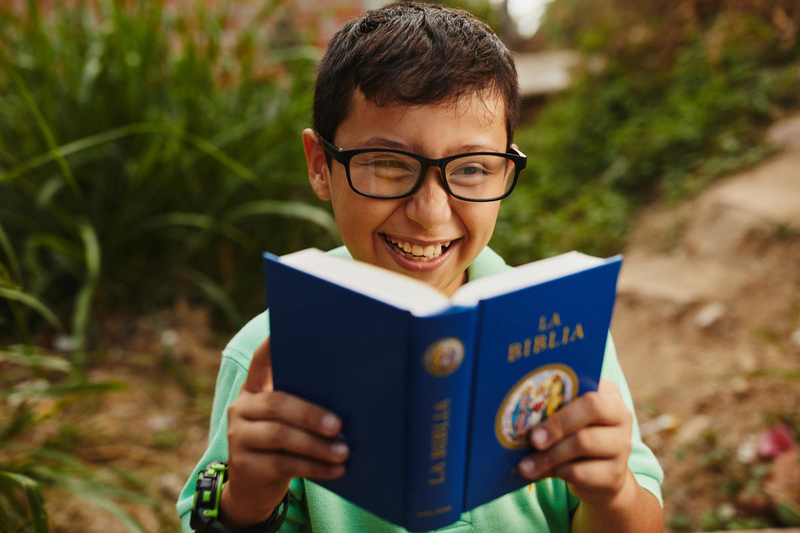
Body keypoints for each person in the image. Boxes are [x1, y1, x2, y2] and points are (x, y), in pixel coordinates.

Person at [177, 2, 664, 532]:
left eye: (473, 168)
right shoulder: (270, 354)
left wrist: (612, 491)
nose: (430, 213)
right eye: (388, 164)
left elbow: (640, 519)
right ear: (321, 166)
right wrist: (247, 499)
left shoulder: (561, 331)